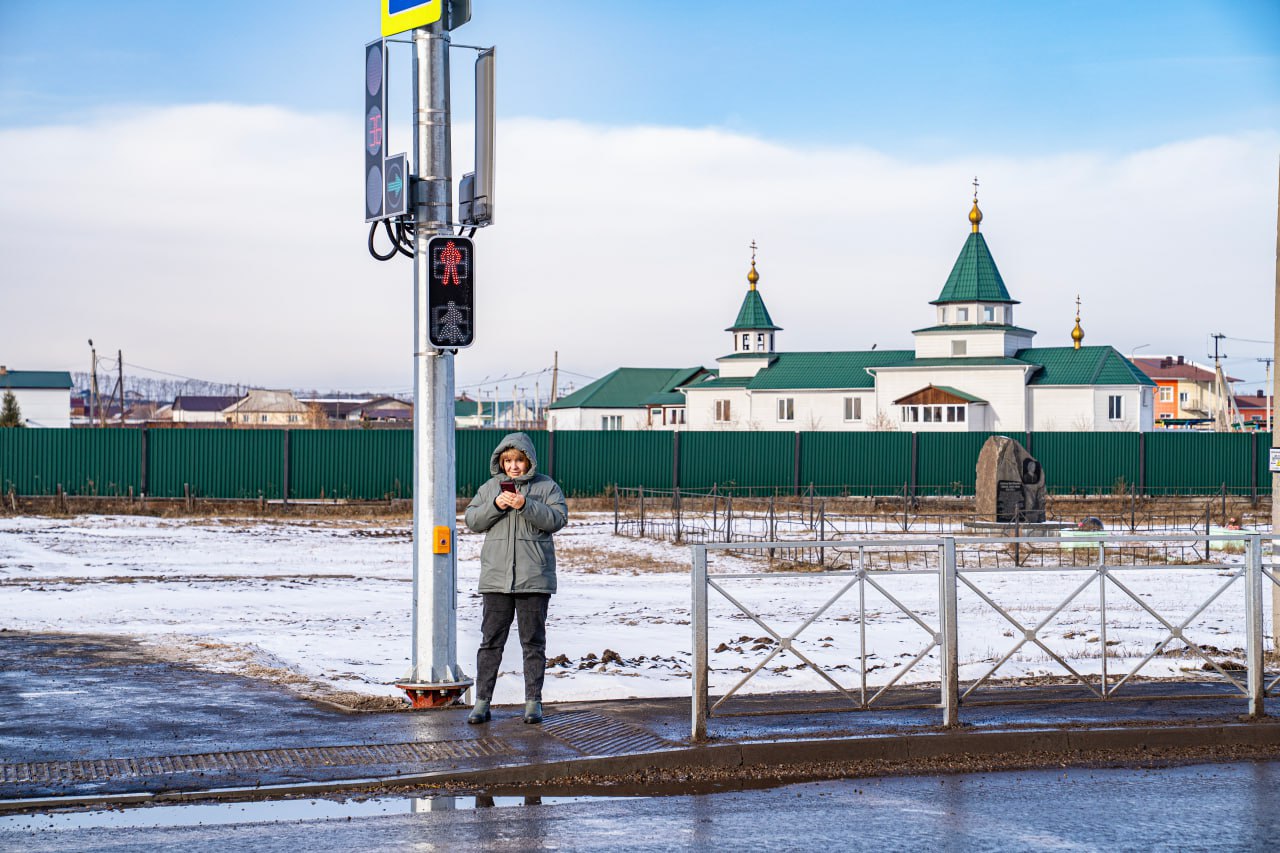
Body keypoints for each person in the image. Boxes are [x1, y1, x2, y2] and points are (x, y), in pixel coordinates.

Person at [463, 432, 568, 725]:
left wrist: (525, 505)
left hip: (533, 579)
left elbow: (558, 520)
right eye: (508, 460)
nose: (513, 466)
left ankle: (533, 703)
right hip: (496, 580)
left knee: (533, 642)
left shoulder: (546, 487)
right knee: (490, 643)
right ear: (501, 462)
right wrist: (497, 505)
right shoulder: (489, 488)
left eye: (519, 460)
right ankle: (482, 703)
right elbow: (472, 521)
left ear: (528, 461)